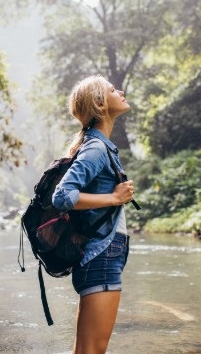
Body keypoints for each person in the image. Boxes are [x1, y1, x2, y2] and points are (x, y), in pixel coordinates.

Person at [52, 75, 135, 354]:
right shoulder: (97, 148)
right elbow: (62, 196)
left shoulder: (99, 146)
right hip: (102, 255)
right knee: (92, 351)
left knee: (86, 350)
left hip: (103, 253)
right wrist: (113, 197)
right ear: (100, 104)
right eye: (113, 90)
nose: (120, 91)